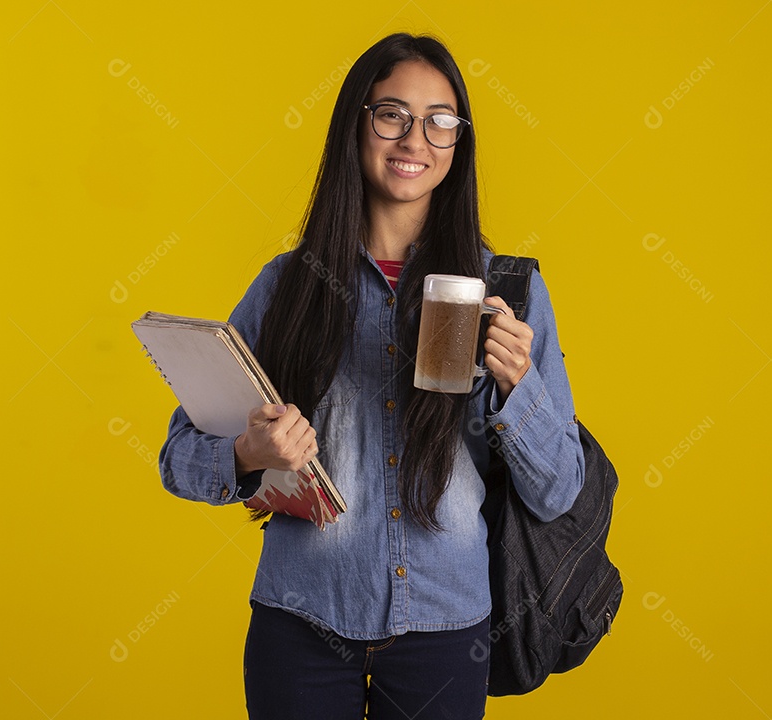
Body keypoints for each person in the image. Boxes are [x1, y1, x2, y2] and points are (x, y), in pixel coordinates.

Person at [158, 32, 584, 720]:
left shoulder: (508, 291)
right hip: (300, 620)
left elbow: (560, 488)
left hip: (446, 631)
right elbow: (177, 458)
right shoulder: (289, 285)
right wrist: (249, 454)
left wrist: (517, 387)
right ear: (357, 122)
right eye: (392, 114)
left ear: (458, 143)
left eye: (440, 120)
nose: (415, 138)